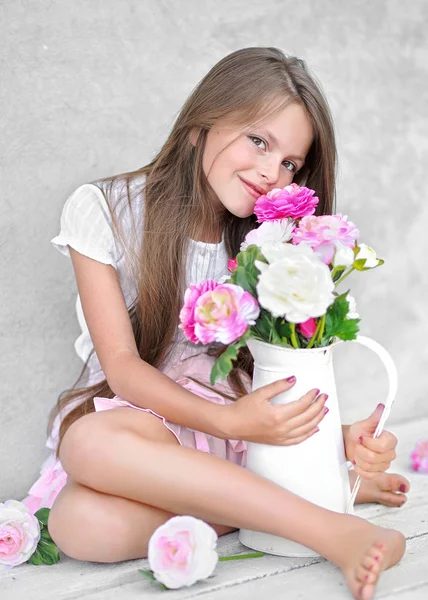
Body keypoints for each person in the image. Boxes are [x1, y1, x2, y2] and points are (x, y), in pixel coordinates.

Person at [23, 47, 408, 600]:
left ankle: (335, 530)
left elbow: (273, 368)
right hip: (153, 424)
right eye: (259, 140)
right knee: (77, 521)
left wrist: (325, 439)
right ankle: (302, 499)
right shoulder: (104, 209)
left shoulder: (268, 240)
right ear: (205, 119)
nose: (271, 173)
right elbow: (125, 369)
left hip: (236, 424)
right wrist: (228, 426)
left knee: (88, 457)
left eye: (290, 163)